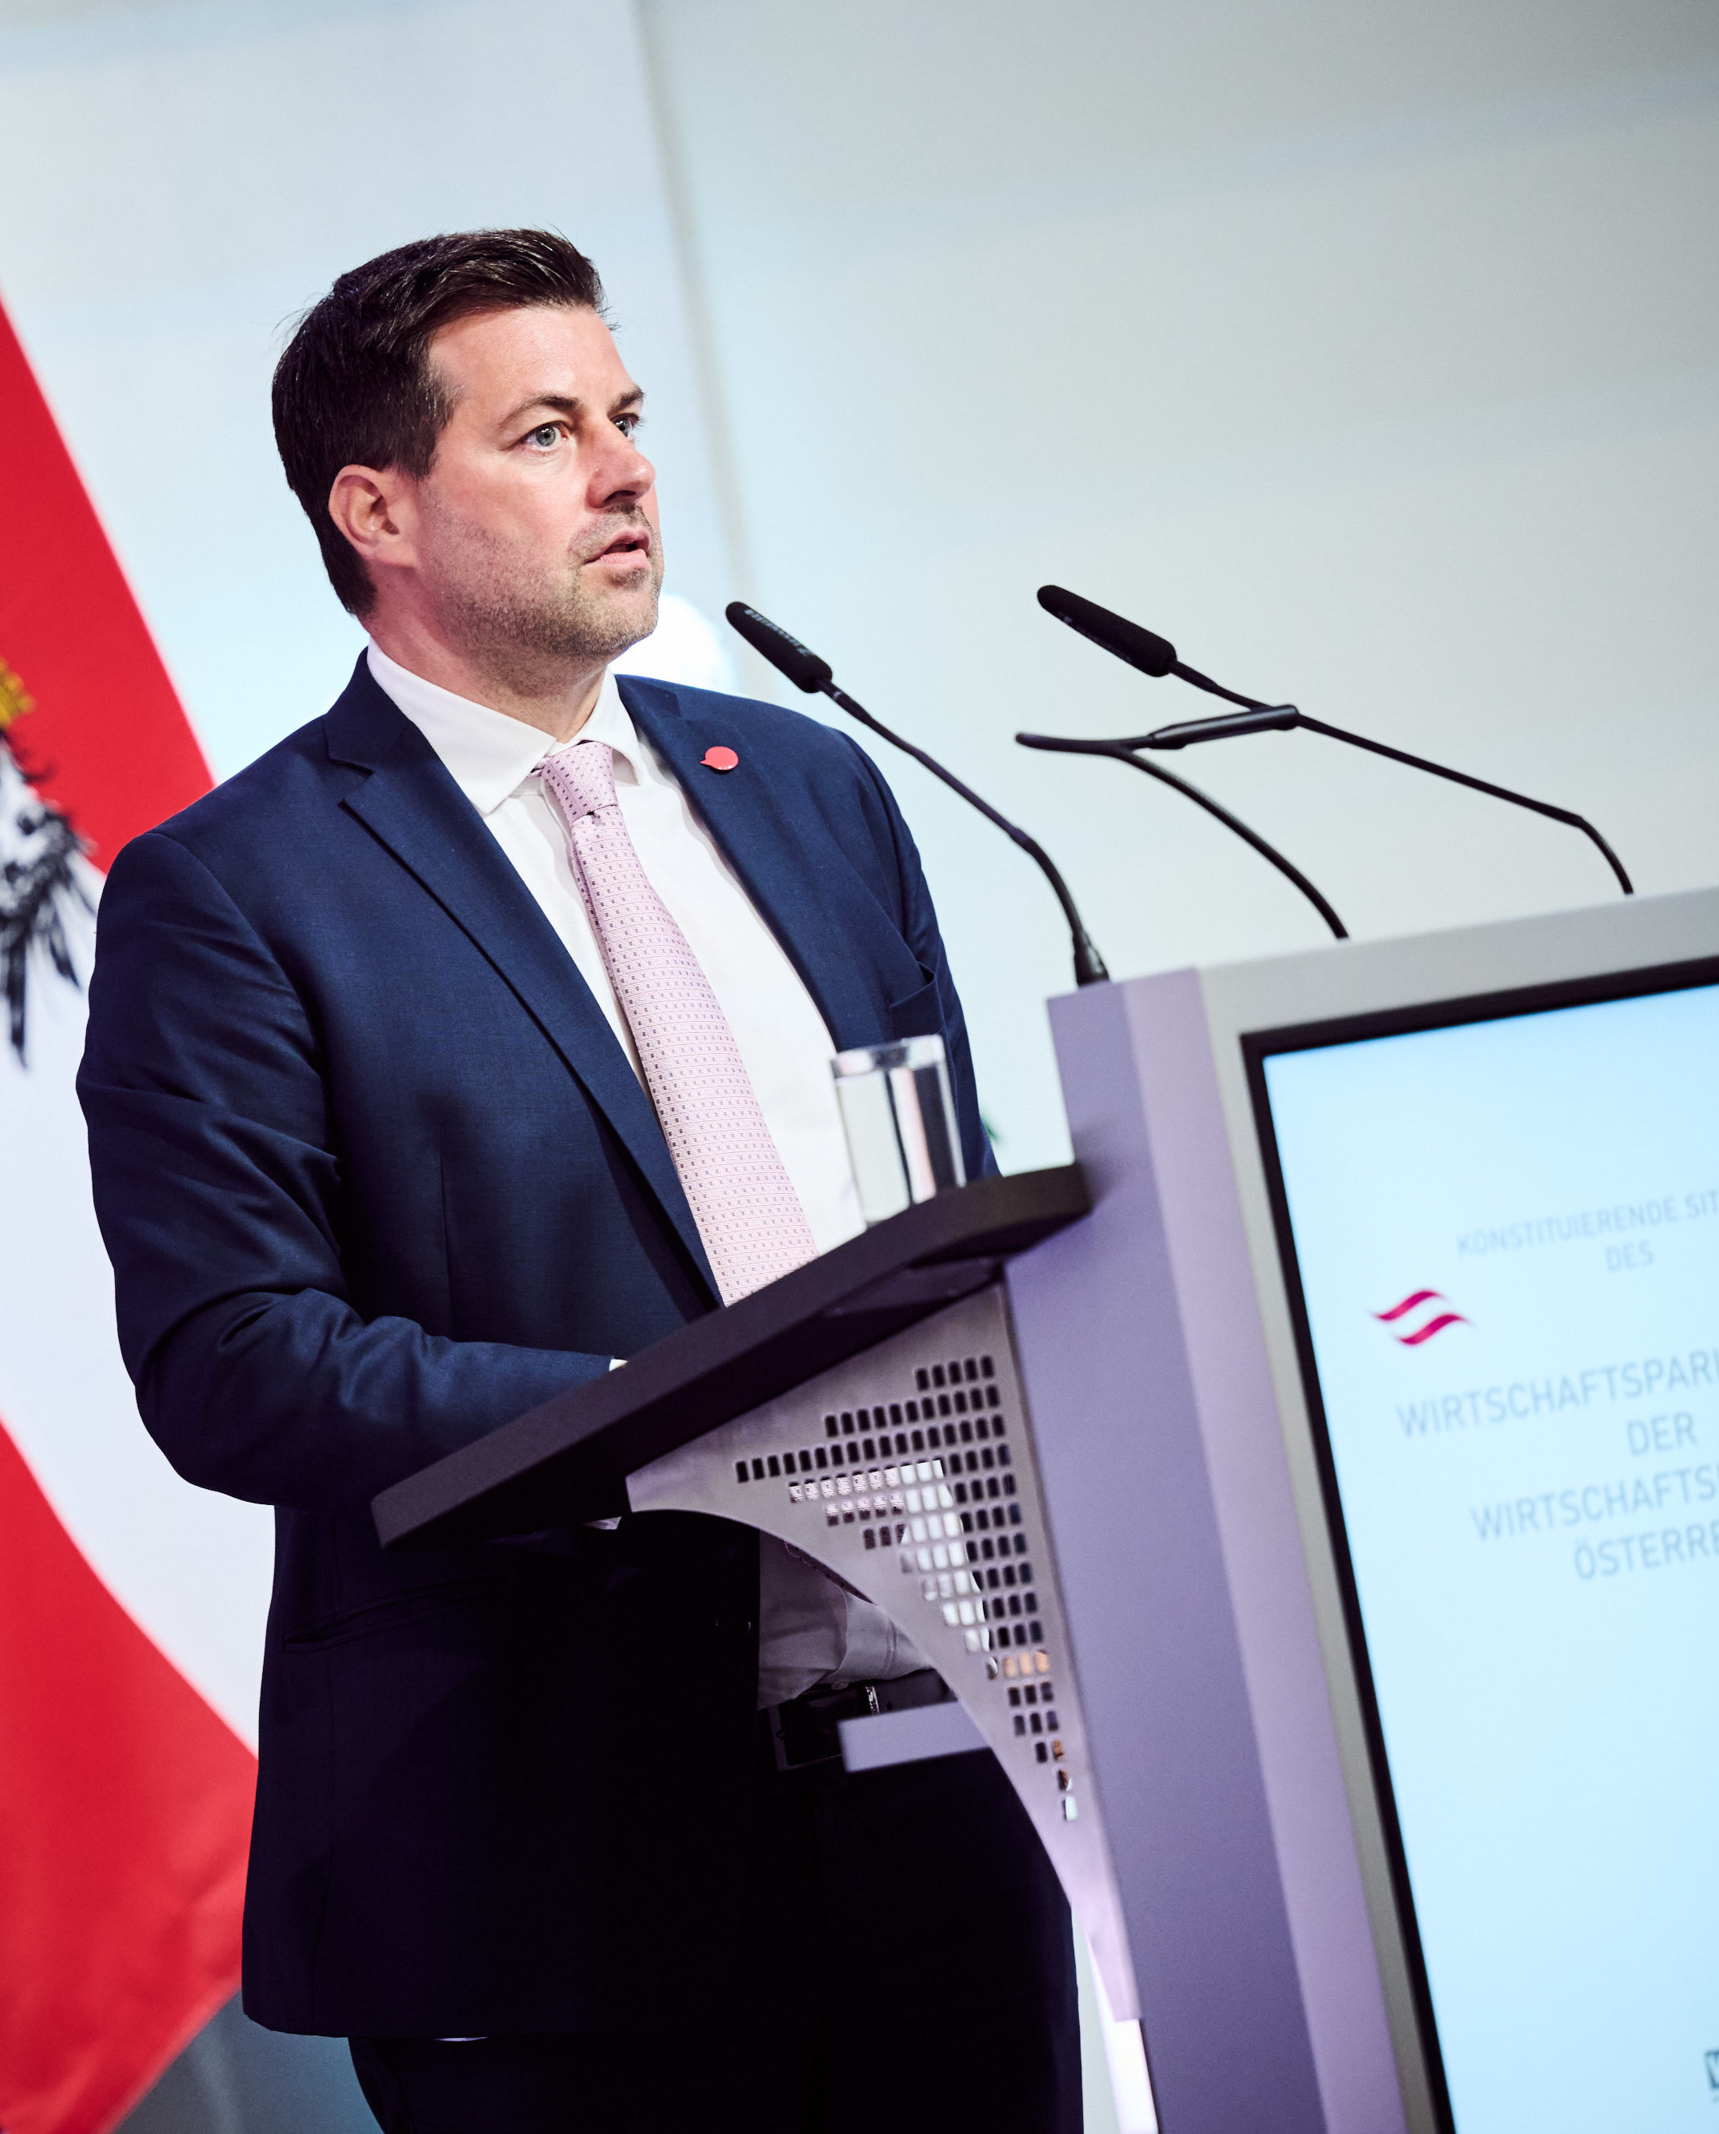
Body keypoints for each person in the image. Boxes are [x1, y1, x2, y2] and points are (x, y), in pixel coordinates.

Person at [77, 231, 1077, 2131]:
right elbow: (234, 1359)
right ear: (376, 509)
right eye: (546, 433)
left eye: (625, 417)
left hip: (942, 1774)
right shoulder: (238, 888)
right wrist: (668, 1414)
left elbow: (932, 1215)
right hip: (553, 1847)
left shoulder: (813, 788)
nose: (625, 470)